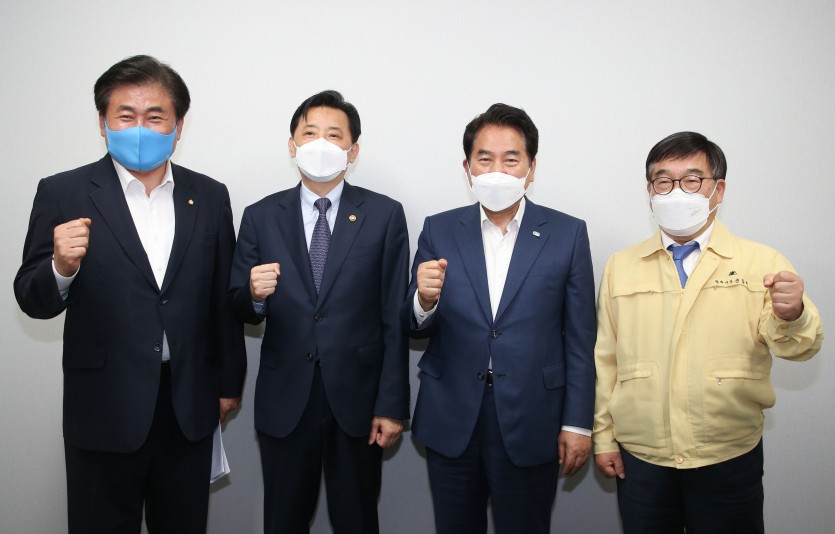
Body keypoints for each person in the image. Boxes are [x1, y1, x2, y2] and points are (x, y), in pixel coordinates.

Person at [13, 55, 246, 533]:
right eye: (125, 115)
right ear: (103, 123)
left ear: (178, 127)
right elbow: (31, 298)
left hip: (187, 404)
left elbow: (222, 300)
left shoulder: (210, 195)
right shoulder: (63, 192)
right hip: (103, 405)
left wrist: (228, 384)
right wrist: (60, 268)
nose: (140, 127)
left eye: (155, 116)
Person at [593, 131, 824, 533]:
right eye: (663, 181)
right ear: (650, 191)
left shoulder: (760, 262)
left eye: (691, 180)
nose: (676, 192)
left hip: (727, 453)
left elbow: (800, 347)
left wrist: (793, 314)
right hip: (643, 455)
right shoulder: (621, 267)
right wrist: (604, 436)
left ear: (719, 190)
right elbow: (606, 360)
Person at [405, 103, 597, 534]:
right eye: (485, 159)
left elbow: (580, 339)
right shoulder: (439, 229)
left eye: (511, 159)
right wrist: (423, 299)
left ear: (531, 168)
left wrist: (577, 422)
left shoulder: (568, 233)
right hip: (452, 413)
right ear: (467, 167)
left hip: (533, 415)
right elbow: (413, 324)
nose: (497, 171)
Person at [228, 90, 410, 534]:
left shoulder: (384, 215)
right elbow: (238, 306)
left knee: (357, 519)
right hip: (285, 398)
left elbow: (394, 316)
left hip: (359, 401)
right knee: (284, 520)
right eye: (310, 134)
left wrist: (391, 405)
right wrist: (253, 294)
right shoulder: (260, 215)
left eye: (334, 135)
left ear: (353, 150)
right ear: (292, 146)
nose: (321, 144)